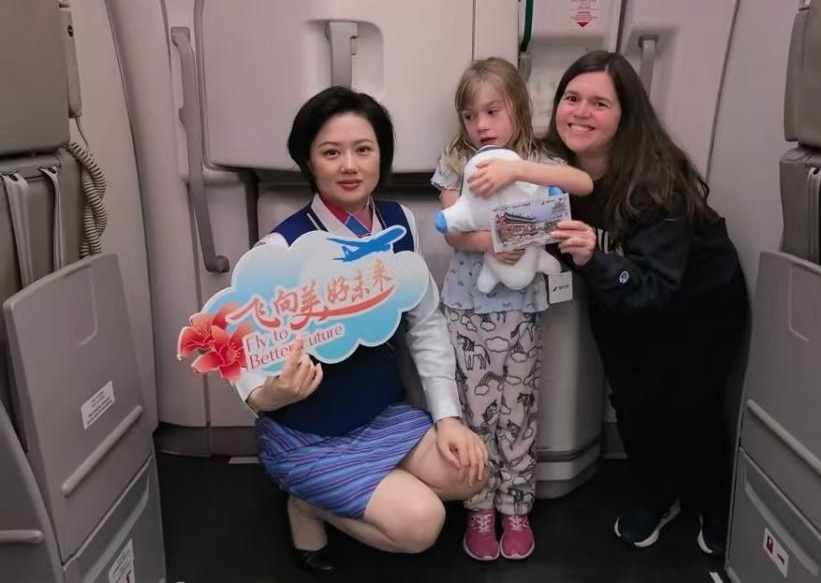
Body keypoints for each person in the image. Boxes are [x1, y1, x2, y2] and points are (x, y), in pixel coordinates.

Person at [234, 86, 488, 574]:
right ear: (308, 161)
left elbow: (425, 324)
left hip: (380, 416)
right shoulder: (280, 250)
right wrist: (271, 395)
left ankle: (361, 487)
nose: (349, 166)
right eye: (331, 152)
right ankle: (308, 504)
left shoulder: (398, 222)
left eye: (363, 149)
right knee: (422, 525)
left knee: (472, 471)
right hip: (311, 431)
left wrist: (448, 418)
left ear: (381, 156)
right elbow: (244, 360)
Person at [546, 50, 748, 557]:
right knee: (634, 401)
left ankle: (712, 503)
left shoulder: (658, 181)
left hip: (698, 303)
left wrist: (593, 255)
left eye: (599, 103)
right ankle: (656, 497)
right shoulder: (551, 170)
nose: (580, 112)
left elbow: (655, 286)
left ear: (625, 116)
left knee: (693, 406)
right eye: (571, 98)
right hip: (616, 292)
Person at [431, 57, 593, 561]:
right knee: (475, 415)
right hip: (467, 308)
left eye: (492, 111)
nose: (480, 125)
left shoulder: (538, 159)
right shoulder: (457, 159)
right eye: (469, 115)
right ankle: (479, 507)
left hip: (522, 310)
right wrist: (492, 241)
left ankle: (516, 507)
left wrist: (519, 168)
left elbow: (582, 184)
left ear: (518, 109)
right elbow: (452, 227)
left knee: (518, 412)